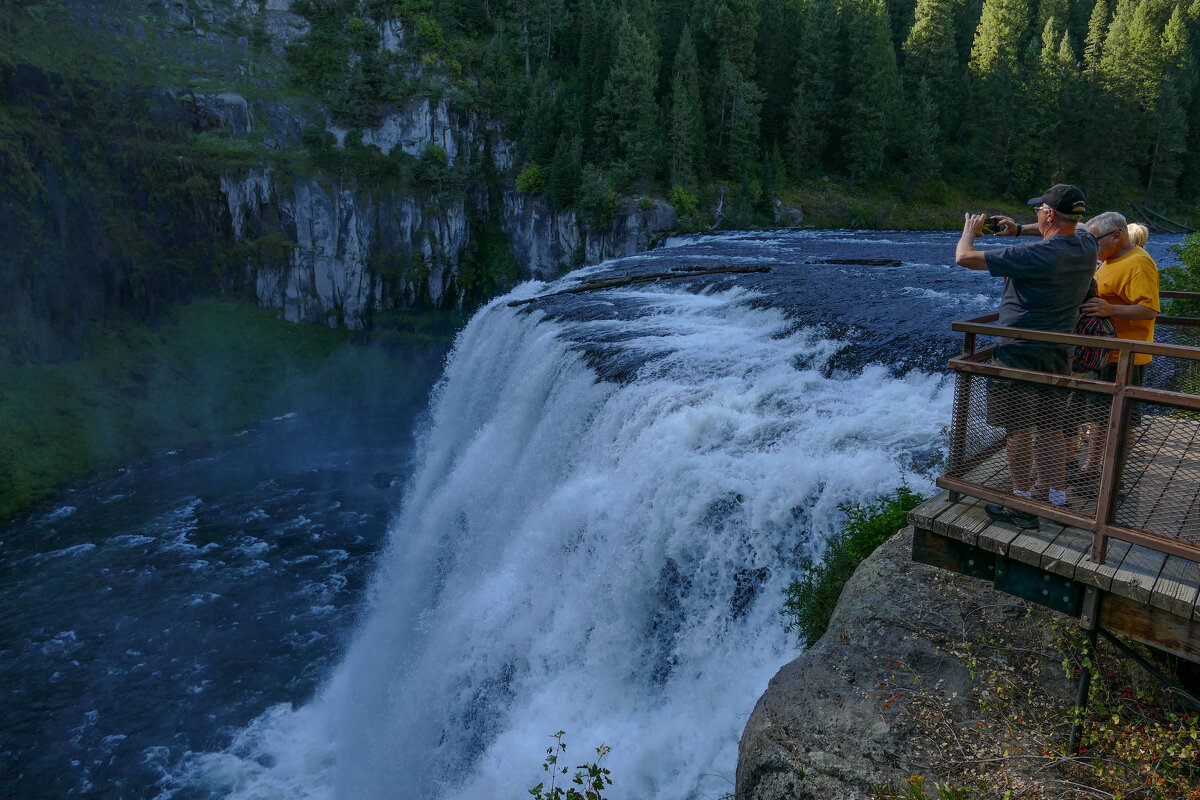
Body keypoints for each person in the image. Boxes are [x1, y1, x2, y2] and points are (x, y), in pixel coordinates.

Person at [955, 184, 1098, 528]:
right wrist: (1018, 229)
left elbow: (964, 258)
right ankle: (1056, 498)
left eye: (1039, 211)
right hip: (1059, 351)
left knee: (1018, 431)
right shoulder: (1086, 244)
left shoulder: (1035, 255)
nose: (1035, 214)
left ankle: (1021, 502)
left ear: (1049, 214)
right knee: (1050, 428)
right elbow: (1074, 227)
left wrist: (969, 233)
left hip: (1019, 353)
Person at [1076, 211, 1160, 472]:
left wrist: (1109, 310)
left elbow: (1149, 309)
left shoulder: (1139, 263)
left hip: (1126, 356)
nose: (1092, 247)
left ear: (1116, 235)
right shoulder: (1111, 259)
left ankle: (1113, 475)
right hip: (1104, 353)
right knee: (1099, 418)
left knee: (1122, 420)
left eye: (1095, 241)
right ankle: (1091, 470)